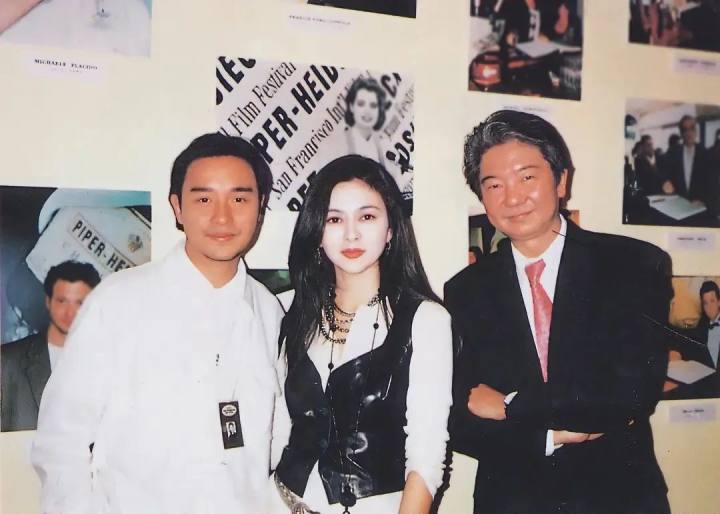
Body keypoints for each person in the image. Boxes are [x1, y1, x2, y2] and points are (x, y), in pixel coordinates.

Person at [31, 134, 285, 513]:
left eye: (239, 199)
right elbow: (60, 443)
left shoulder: (270, 313)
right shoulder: (117, 301)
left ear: (260, 207)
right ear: (177, 207)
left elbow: (278, 443)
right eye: (203, 199)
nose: (222, 217)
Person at [446, 110, 672, 513]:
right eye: (494, 185)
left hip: (618, 498)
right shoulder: (465, 291)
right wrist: (551, 434)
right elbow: (459, 421)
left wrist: (509, 406)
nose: (512, 198)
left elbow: (629, 395)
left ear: (561, 180)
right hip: (512, 501)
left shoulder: (632, 265)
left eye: (527, 177)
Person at [270, 155, 452, 513]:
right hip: (278, 502)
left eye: (367, 217)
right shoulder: (293, 311)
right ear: (316, 232)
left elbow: (427, 457)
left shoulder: (426, 320)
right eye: (334, 219)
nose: (351, 233)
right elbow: (278, 429)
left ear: (390, 230)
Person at [1, 260, 100, 432]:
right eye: (62, 301)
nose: (70, 313)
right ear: (49, 302)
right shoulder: (6, 362)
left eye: (80, 303)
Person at [661, 114, 714, 208]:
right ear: (681, 133)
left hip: (699, 207)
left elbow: (712, 184)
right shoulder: (673, 152)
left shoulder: (706, 154)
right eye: (685, 129)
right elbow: (665, 176)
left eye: (692, 128)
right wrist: (665, 183)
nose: (689, 132)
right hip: (678, 206)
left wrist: (704, 201)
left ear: (696, 131)